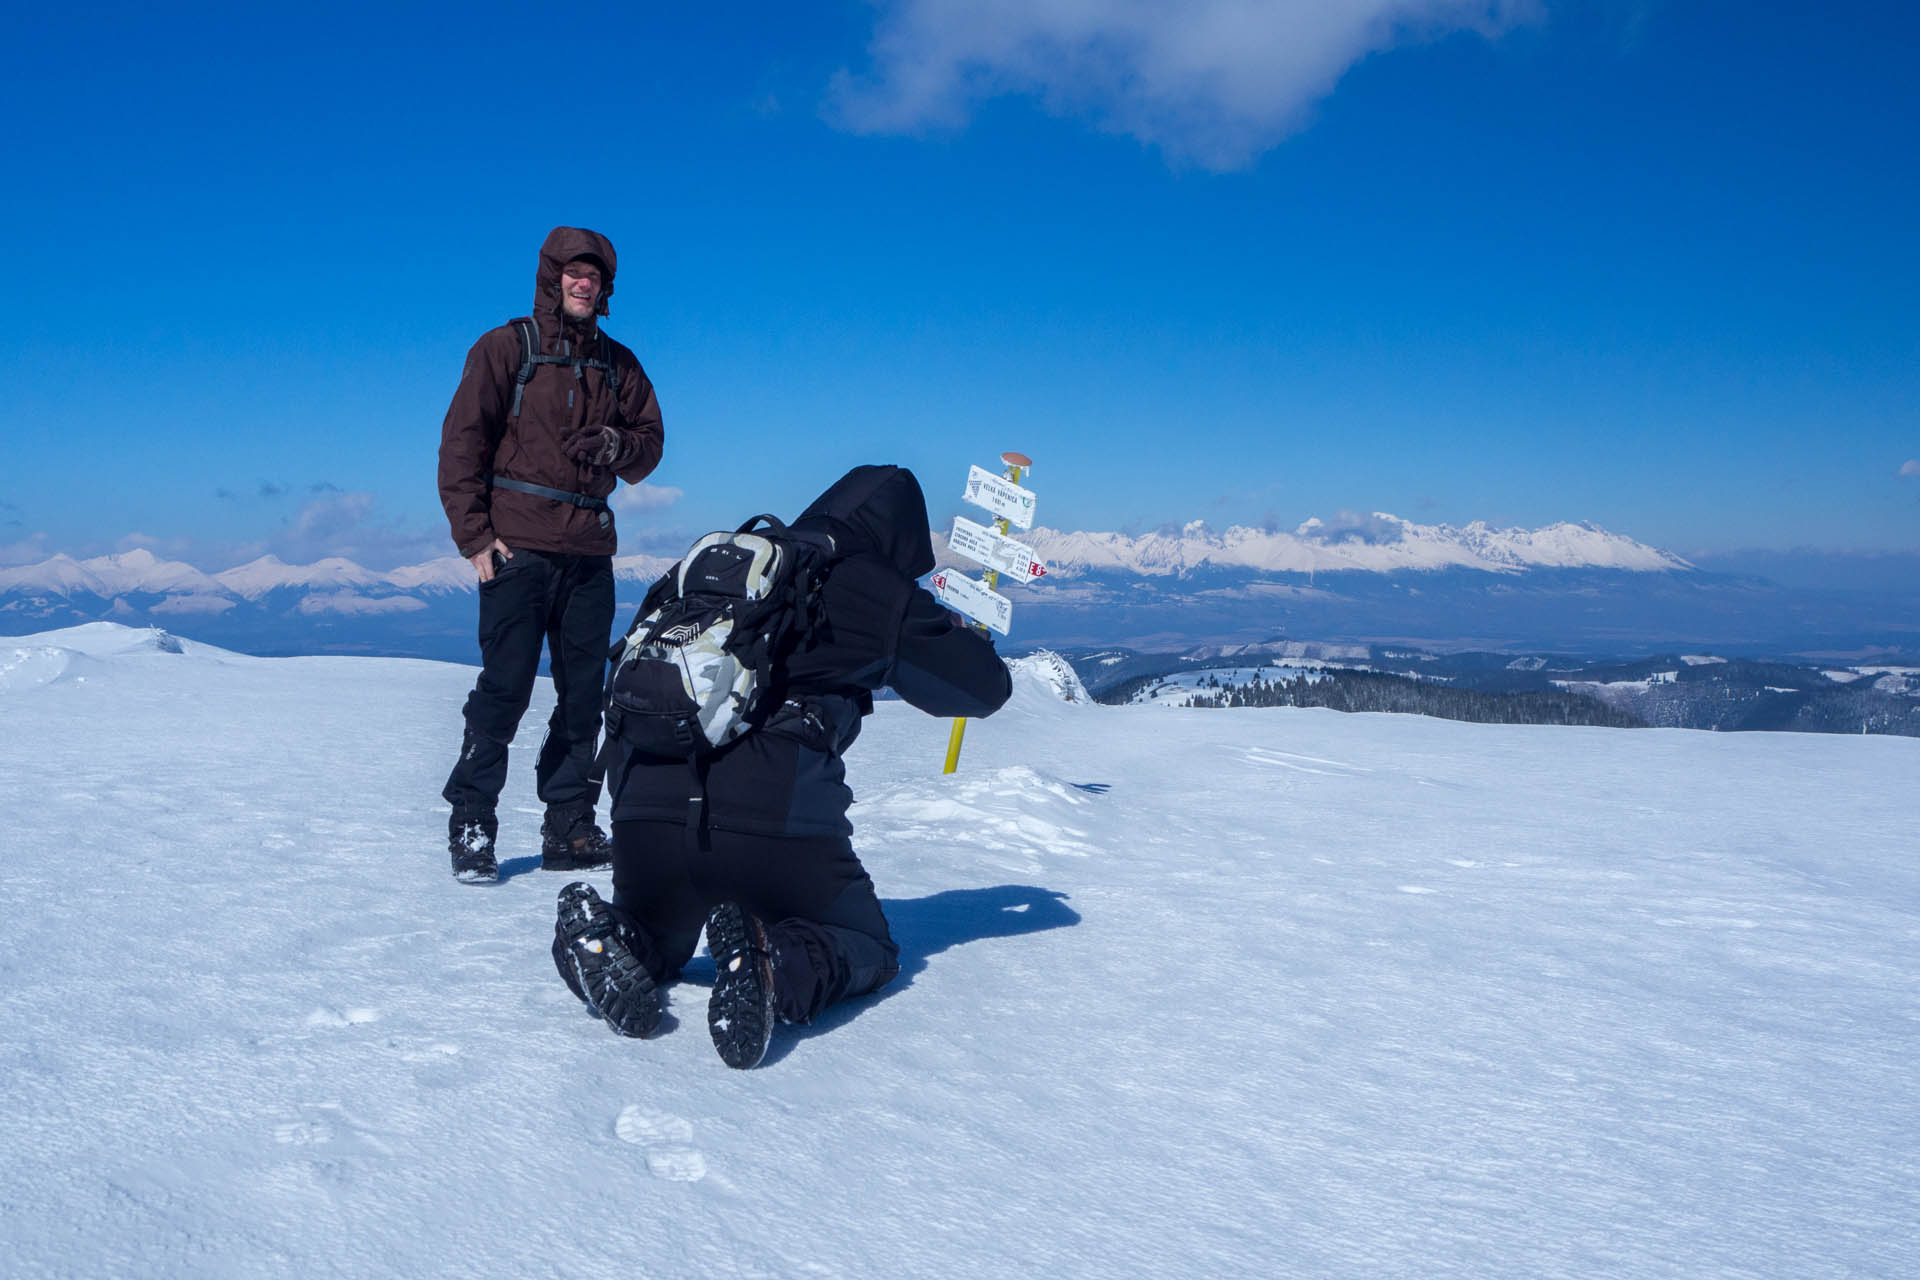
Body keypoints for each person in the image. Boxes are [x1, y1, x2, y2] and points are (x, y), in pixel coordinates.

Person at [552, 464, 1012, 1067]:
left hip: (645, 807)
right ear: (900, 539)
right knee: (866, 945)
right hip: (774, 821)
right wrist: (939, 630)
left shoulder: (709, 571)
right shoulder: (872, 585)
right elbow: (982, 691)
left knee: (657, 941)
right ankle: (772, 958)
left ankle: (613, 936)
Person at [437, 226, 664, 884]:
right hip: (516, 550)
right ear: (550, 277)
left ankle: (569, 826)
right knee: (504, 692)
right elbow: (461, 447)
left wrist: (619, 448)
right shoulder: (508, 348)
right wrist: (475, 538)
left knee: (582, 698)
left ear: (606, 286)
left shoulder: (619, 365)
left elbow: (650, 445)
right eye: (572, 271)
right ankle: (473, 821)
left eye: (594, 275)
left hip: (588, 552)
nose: (583, 282)